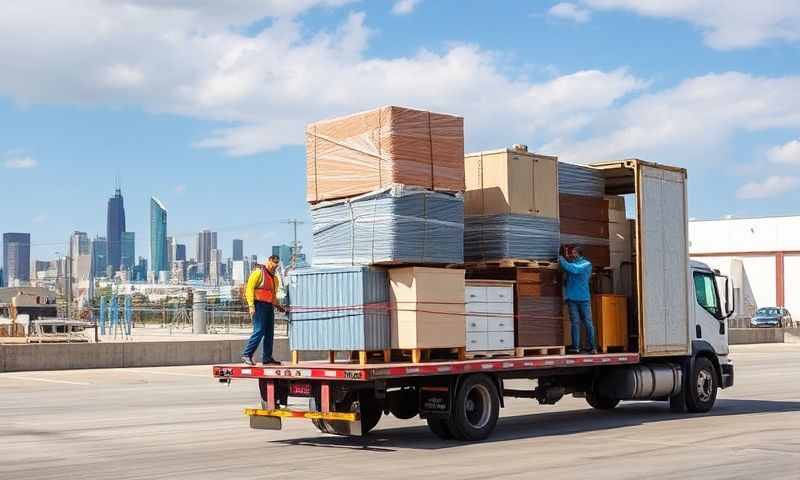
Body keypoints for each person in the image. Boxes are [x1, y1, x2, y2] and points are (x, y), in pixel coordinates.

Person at [241, 255, 284, 365]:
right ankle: (247, 354)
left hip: (269, 307)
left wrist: (278, 306)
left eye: (277, 263)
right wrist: (251, 306)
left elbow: (273, 295)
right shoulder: (258, 272)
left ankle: (267, 358)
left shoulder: (275, 279)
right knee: (259, 330)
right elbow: (249, 289)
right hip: (259, 305)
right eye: (273, 262)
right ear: (268, 261)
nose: (275, 265)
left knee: (269, 333)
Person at [558, 246, 597, 355]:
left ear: (579, 253)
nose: (572, 254)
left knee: (588, 323)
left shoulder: (586, 264)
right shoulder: (573, 263)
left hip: (583, 299)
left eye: (574, 252)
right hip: (572, 299)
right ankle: (576, 347)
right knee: (575, 323)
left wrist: (561, 259)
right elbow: (567, 276)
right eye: (572, 252)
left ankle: (592, 347)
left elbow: (574, 269)